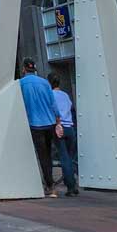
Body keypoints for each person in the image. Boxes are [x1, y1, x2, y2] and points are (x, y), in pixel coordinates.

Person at [19, 59, 74, 198]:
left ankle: (49, 186)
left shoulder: (20, 84)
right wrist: (58, 120)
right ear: (34, 69)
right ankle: (52, 186)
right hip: (50, 123)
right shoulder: (44, 82)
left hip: (34, 124)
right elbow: (53, 104)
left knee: (41, 155)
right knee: (48, 154)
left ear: (24, 69)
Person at [48, 72, 79, 196]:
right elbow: (71, 108)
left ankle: (70, 187)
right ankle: (73, 183)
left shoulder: (50, 95)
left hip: (59, 127)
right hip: (70, 128)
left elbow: (52, 111)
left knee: (64, 157)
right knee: (71, 158)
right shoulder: (65, 95)